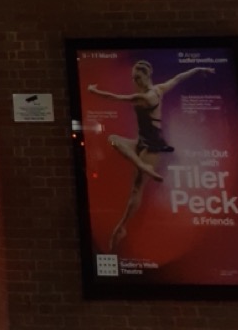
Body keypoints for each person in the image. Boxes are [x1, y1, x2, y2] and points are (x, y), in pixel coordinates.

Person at [88, 60, 214, 251]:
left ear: (146, 76)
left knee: (136, 189)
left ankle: (121, 227)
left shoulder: (147, 97)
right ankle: (141, 164)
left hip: (152, 146)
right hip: (140, 142)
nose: (135, 81)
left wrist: (94, 91)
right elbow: (179, 78)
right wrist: (199, 69)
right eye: (133, 78)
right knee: (113, 139)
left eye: (137, 77)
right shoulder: (160, 89)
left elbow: (116, 97)